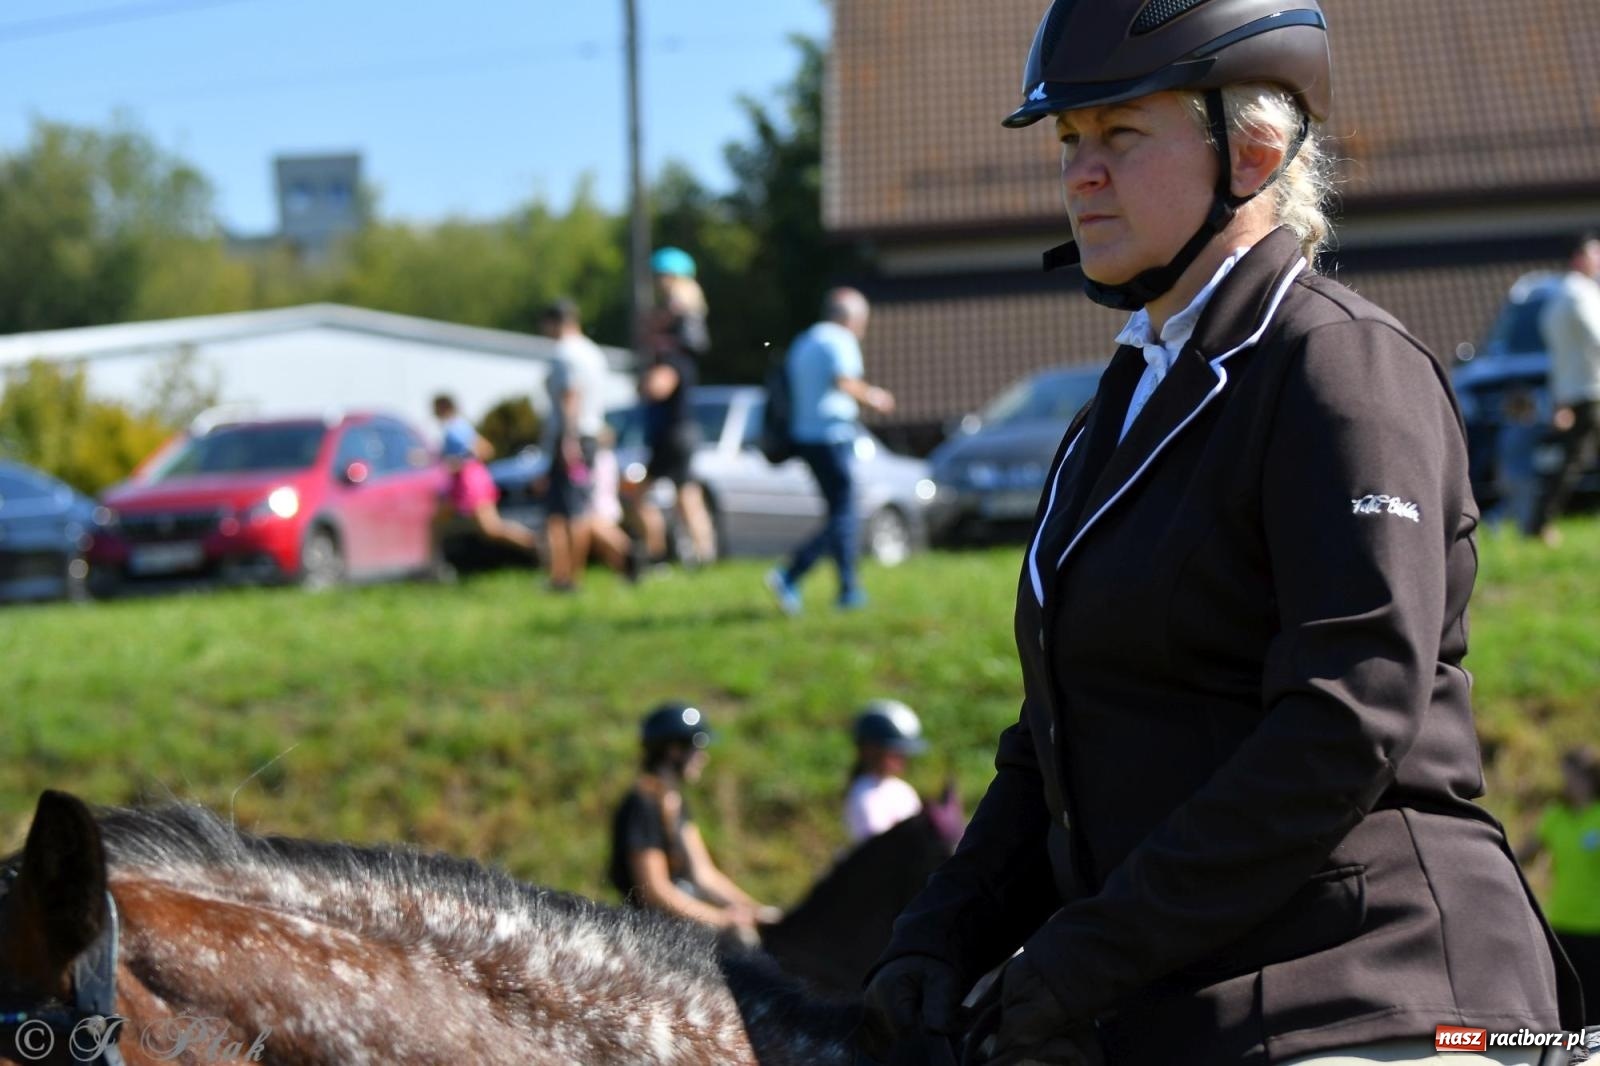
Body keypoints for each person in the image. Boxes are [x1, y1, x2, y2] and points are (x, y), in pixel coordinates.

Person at [858, 3, 1584, 1064]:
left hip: (1373, 987)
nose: (1080, 174)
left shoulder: (1339, 367)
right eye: (1069, 142)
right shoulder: (1109, 416)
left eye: (1119, 135)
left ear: (1251, 151)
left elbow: (1345, 716)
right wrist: (936, 934)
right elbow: (1055, 736)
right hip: (1173, 1001)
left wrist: (1084, 953)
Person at [764, 289, 895, 614]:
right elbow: (845, 381)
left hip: (806, 438)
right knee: (845, 514)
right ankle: (791, 573)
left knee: (840, 511)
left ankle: (849, 590)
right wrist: (875, 398)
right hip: (831, 436)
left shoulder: (804, 340)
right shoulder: (839, 339)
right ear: (850, 317)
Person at [608, 702, 780, 942]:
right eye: (698, 746)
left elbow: (704, 874)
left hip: (683, 922)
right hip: (655, 933)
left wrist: (756, 910)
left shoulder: (675, 802)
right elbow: (655, 892)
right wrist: (721, 919)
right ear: (674, 750)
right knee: (744, 942)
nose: (704, 756)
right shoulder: (642, 805)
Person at [536, 300, 635, 591]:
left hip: (572, 437)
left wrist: (567, 440)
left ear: (556, 321)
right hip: (589, 435)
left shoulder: (565, 353)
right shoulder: (593, 352)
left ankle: (568, 577)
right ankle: (566, 574)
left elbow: (570, 395)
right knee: (573, 509)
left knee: (570, 511)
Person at [634, 247, 717, 567]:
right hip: (681, 429)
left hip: (672, 430)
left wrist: (643, 384)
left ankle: (657, 557)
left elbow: (659, 386)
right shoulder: (683, 344)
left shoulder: (675, 350)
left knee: (643, 495)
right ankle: (703, 555)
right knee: (687, 495)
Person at [1520, 747, 1600, 1022]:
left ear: (1589, 777)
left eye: (1572, 774)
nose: (1566, 781)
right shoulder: (1556, 815)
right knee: (1566, 1008)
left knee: (1595, 1009)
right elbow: (1525, 855)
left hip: (1596, 928)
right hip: (1561, 923)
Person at [1531, 232, 1600, 545]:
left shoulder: (1555, 298)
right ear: (1578, 258)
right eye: (1594, 254)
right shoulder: (1581, 295)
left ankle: (1540, 521)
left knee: (1572, 460)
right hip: (1593, 390)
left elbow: (1557, 358)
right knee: (1574, 460)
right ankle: (1541, 522)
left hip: (1574, 392)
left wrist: (1560, 399)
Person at [429, 394, 537, 573]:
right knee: (437, 522)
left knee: (491, 528)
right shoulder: (459, 426)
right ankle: (433, 565)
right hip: (462, 483)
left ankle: (536, 544)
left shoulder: (455, 428)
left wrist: (456, 464)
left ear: (442, 407)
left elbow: (484, 450)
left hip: (470, 483)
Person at [844, 699, 927, 845]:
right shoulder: (865, 795)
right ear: (870, 750)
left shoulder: (900, 789)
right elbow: (881, 849)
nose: (903, 757)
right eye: (896, 751)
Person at [1489, 387, 1544, 536]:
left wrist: (1498, 477)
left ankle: (1494, 518)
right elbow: (1546, 433)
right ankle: (1525, 534)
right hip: (1524, 476)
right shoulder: (1528, 428)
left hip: (1506, 475)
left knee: (1511, 504)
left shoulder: (1505, 429)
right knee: (1525, 506)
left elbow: (1499, 456)